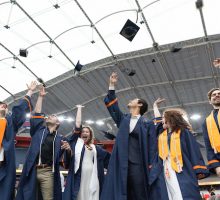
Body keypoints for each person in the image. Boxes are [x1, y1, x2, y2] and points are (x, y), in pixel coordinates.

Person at [100, 72, 156, 200]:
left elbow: (153, 145)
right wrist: (112, 85)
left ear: (140, 104)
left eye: (134, 100)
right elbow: (112, 106)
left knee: (139, 191)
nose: (130, 100)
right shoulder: (123, 119)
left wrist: (151, 163)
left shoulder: (147, 123)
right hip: (121, 161)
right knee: (120, 190)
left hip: (138, 163)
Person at [16, 86, 71, 200]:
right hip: (32, 170)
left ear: (58, 123)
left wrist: (69, 150)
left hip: (48, 172)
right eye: (49, 116)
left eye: (53, 116)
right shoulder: (38, 132)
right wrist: (40, 97)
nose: (50, 115)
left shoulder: (61, 139)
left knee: (48, 198)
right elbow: (37, 115)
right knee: (27, 196)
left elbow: (67, 161)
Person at [150, 98, 209, 200]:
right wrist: (155, 106)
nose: (161, 120)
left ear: (171, 119)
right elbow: (157, 119)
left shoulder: (184, 132)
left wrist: (198, 169)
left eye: (164, 118)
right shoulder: (161, 134)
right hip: (164, 166)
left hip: (181, 166)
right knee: (168, 192)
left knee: (184, 190)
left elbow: (193, 151)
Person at [63, 105, 111, 200]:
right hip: (79, 174)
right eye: (83, 131)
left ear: (90, 134)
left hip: (93, 175)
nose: (85, 133)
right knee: (79, 194)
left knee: (91, 195)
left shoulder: (96, 148)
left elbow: (109, 159)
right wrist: (79, 109)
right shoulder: (76, 145)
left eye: (87, 132)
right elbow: (77, 125)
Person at [0, 81, 36, 200]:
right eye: (1, 105)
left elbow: (20, 109)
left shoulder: (9, 121)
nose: (3, 106)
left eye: (5, 106)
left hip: (4, 164)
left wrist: (30, 92)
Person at [202, 87, 220, 176]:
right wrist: (216, 166)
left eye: (219, 94)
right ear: (210, 101)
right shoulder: (207, 121)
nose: (217, 95)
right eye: (214, 94)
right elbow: (208, 146)